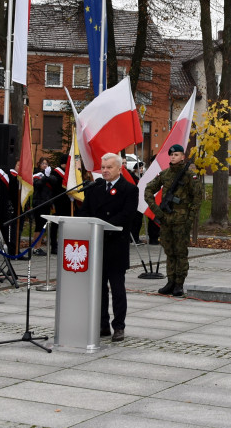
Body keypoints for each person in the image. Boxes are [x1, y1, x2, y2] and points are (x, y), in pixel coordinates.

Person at [80, 152, 137, 342]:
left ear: (119, 168)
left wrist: (104, 227)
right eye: (103, 167)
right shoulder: (95, 188)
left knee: (117, 289)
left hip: (116, 247)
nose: (104, 171)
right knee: (99, 289)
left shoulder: (129, 189)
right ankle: (102, 324)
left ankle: (118, 326)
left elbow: (127, 215)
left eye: (108, 167)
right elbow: (85, 212)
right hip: (97, 246)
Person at [144, 143, 203, 297]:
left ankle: (179, 283)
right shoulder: (165, 174)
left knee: (180, 253)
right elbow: (148, 190)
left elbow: (197, 199)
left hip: (181, 221)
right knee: (169, 252)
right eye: (171, 155)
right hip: (166, 220)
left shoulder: (190, 176)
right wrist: (157, 211)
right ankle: (170, 281)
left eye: (176, 155)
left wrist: (189, 219)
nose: (173, 157)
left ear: (183, 157)